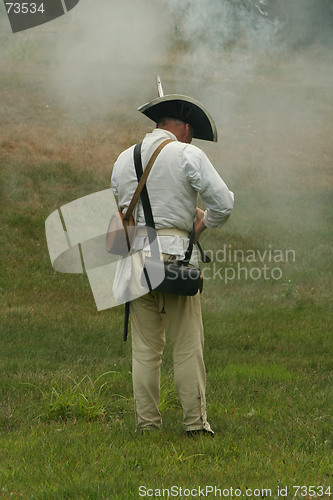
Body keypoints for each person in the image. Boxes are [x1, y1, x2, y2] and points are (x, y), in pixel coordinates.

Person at [111, 90, 234, 436]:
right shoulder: (186, 153)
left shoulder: (123, 160)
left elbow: (125, 211)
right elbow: (223, 204)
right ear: (182, 128)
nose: (192, 135)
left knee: (145, 350)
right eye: (190, 129)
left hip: (135, 259)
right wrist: (200, 223)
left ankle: (147, 426)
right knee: (186, 346)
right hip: (174, 258)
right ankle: (195, 425)